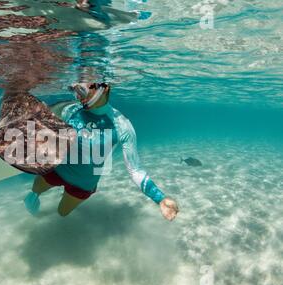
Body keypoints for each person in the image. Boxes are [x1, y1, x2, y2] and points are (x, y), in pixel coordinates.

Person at [24, 82, 179, 220]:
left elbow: (135, 170)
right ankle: (34, 195)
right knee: (35, 189)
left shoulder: (122, 126)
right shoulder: (70, 109)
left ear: (104, 88)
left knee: (61, 213)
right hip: (57, 169)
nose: (78, 96)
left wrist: (159, 198)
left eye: (82, 89)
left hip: (83, 184)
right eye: (75, 90)